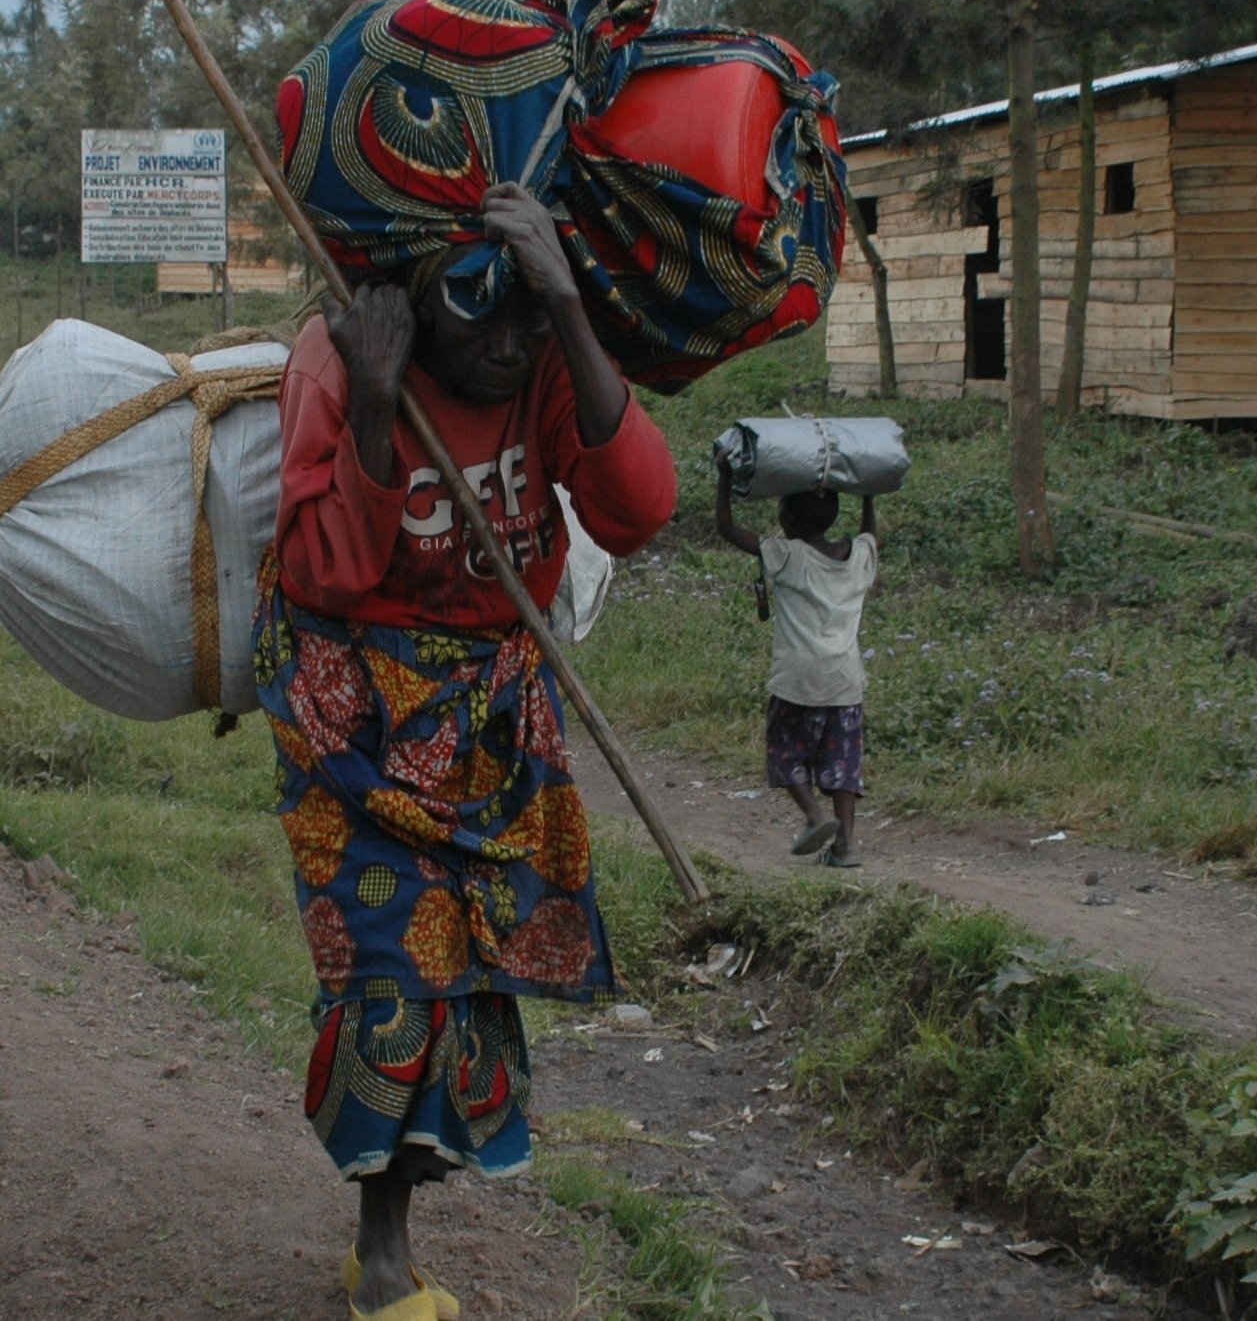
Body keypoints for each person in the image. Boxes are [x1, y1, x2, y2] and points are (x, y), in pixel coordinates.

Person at [257, 183, 673, 1321]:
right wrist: (380, 402)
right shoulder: (342, 358)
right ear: (413, 304)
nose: (502, 351)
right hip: (355, 719)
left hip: (490, 719)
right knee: (393, 969)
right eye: (479, 322)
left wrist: (567, 315)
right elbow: (325, 572)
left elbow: (639, 511)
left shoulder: (543, 358)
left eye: (523, 325)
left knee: (477, 981)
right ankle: (381, 1258)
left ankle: (384, 1237)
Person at [713, 467, 880, 868]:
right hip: (844, 682)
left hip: (797, 682)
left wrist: (724, 478)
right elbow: (870, 534)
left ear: (786, 520)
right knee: (843, 763)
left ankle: (814, 815)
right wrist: (869, 494)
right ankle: (846, 847)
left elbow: (727, 529)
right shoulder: (860, 556)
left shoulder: (787, 556)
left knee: (785, 752)